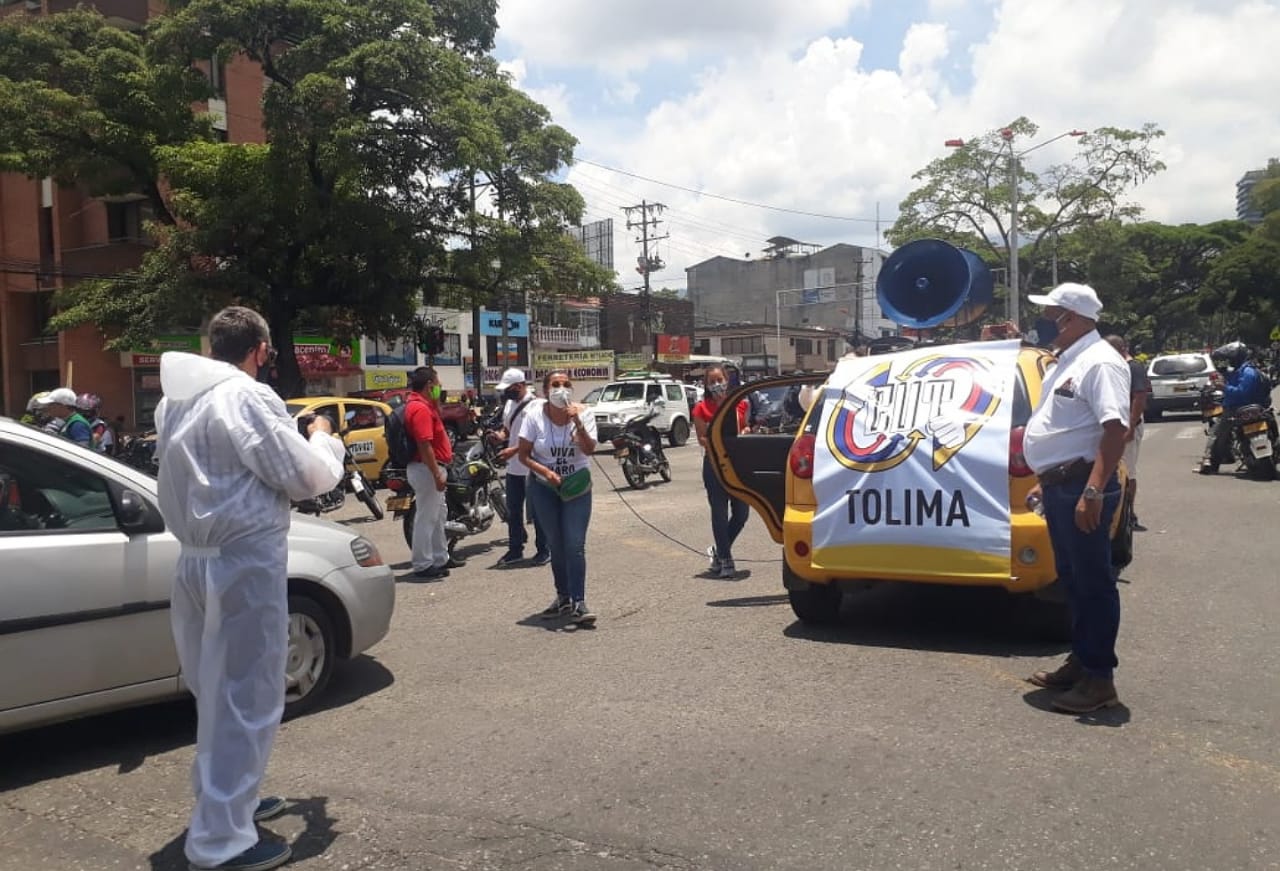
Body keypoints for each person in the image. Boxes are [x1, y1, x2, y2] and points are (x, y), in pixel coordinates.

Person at [153, 306, 346, 871]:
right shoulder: (246, 396)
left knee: (216, 691)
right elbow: (306, 478)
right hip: (243, 562)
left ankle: (230, 800)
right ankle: (221, 841)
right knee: (248, 694)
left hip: (195, 559)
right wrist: (323, 438)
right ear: (260, 350)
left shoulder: (175, 400)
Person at [1021, 283, 1131, 714]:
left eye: (1053, 314)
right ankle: (1082, 661)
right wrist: (1046, 478)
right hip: (1061, 485)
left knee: (1093, 584)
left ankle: (1100, 680)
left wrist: (1093, 489)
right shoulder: (1069, 359)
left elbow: (1115, 430)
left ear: (1074, 318)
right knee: (1072, 581)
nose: (1046, 321)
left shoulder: (1101, 362)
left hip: (1082, 487)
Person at [517, 369, 598, 625]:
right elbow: (523, 455)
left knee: (574, 544)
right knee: (556, 543)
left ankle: (579, 601)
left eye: (565, 384)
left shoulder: (584, 413)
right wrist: (546, 472)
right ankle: (563, 596)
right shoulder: (534, 416)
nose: (561, 389)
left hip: (576, 487)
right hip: (545, 487)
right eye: (555, 385)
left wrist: (578, 423)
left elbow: (589, 449)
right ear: (545, 391)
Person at [691, 366, 751, 579]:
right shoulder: (701, 409)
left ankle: (718, 551)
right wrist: (716, 443)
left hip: (737, 464)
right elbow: (702, 438)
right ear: (706, 385)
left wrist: (745, 431)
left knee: (742, 513)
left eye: (720, 380)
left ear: (727, 380)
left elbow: (745, 427)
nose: (717, 384)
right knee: (719, 513)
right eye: (712, 381)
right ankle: (726, 559)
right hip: (714, 465)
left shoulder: (739, 404)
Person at [404, 366, 462, 579]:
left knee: (438, 516)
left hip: (432, 467)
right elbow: (424, 444)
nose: (440, 388)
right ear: (429, 385)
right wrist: (436, 473)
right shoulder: (419, 408)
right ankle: (422, 564)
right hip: (427, 469)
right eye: (438, 385)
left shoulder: (424, 405)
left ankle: (440, 557)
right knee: (426, 517)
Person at [493, 368, 549, 568]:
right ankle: (515, 549)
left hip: (532, 467)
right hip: (514, 468)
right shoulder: (510, 404)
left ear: (519, 386)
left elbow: (539, 437)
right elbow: (509, 429)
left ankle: (544, 550)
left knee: (538, 511)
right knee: (513, 511)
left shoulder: (538, 405)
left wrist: (514, 450)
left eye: (508, 388)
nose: (505, 392)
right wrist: (500, 436)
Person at [1199, 341, 1272, 474]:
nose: (1227, 362)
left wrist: (1224, 387)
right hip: (1257, 408)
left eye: (1229, 359)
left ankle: (1210, 463)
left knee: (1217, 433)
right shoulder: (1239, 371)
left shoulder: (1247, 372)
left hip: (1238, 409)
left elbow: (1242, 393)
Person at [1105, 335, 1150, 530]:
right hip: (1117, 427)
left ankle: (1129, 513)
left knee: (1128, 471)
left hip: (1129, 426)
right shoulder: (1118, 367)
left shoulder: (1133, 368)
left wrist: (1131, 426)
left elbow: (1139, 397)